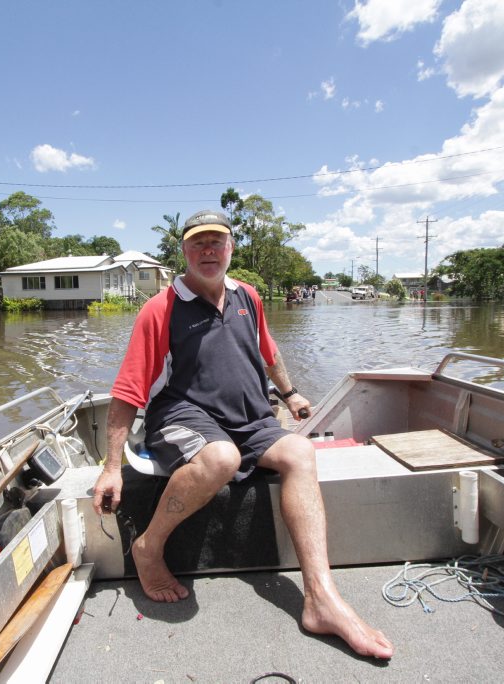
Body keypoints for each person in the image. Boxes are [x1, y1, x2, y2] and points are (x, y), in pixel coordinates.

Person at [91, 209, 394, 660]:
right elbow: (128, 390)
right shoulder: (162, 309)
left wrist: (290, 395)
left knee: (299, 452)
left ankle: (321, 597)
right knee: (221, 459)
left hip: (250, 416)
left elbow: (267, 350)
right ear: (185, 251)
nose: (208, 251)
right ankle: (148, 547)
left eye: (217, 242)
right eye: (198, 243)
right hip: (182, 414)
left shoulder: (247, 296)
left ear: (231, 248)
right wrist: (111, 467)